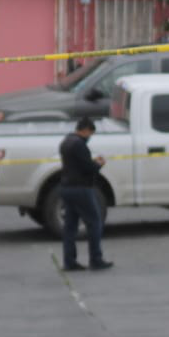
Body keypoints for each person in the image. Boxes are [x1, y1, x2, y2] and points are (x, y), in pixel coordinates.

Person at [58, 117, 112, 272]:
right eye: (90, 133)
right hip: (81, 188)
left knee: (70, 227)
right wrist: (98, 164)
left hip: (66, 187)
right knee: (94, 222)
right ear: (86, 130)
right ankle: (96, 259)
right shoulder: (79, 144)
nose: (90, 137)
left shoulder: (66, 142)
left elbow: (76, 164)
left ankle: (69, 262)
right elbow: (88, 168)